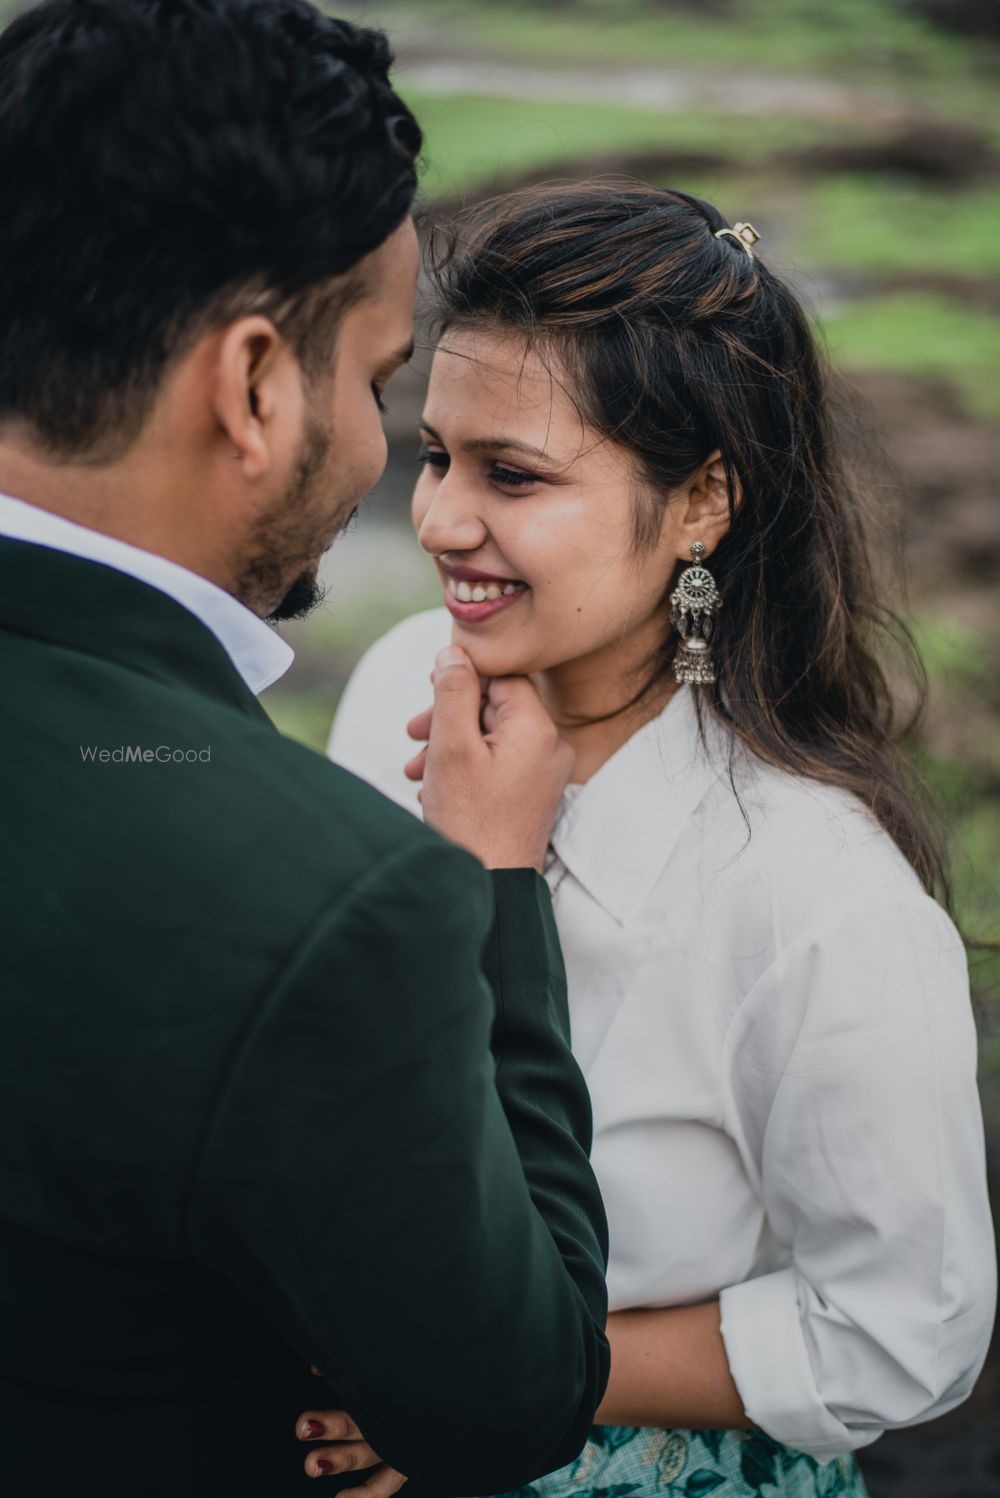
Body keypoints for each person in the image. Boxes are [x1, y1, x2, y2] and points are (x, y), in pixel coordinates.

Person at [0, 6, 613, 1496]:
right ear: (258, 385)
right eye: (379, 384)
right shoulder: (341, 910)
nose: (384, 462)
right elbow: (505, 1401)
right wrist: (491, 892)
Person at [323, 182, 997, 1496]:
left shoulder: (818, 899)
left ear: (702, 505)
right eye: (437, 454)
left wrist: (510, 1370)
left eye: (514, 473)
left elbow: (908, 1327)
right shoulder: (399, 688)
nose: (444, 519)